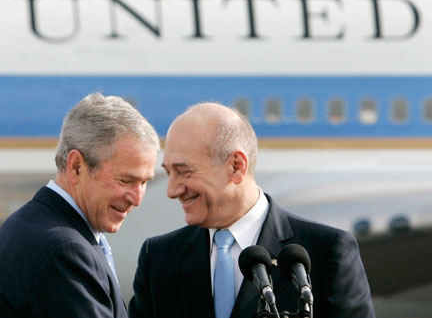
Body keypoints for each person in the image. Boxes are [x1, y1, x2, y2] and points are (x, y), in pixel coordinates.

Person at [129, 102, 376, 318]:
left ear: (236, 166)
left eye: (183, 171)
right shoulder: (159, 259)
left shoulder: (326, 251)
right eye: (169, 172)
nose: (172, 190)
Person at [0, 93, 159, 318]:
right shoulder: (64, 250)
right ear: (76, 167)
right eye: (126, 181)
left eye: (144, 183)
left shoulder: (27, 223)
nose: (137, 198)